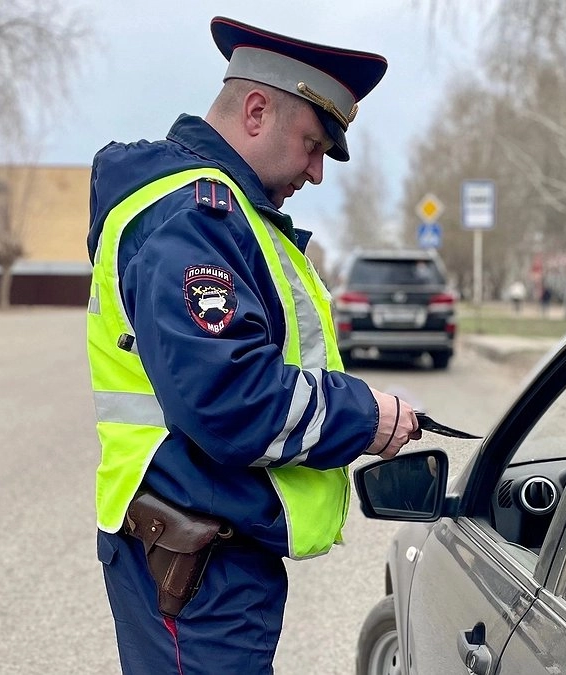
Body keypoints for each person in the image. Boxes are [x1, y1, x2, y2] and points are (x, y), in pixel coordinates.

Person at [85, 17, 421, 674]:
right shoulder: (193, 214)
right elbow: (230, 400)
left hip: (200, 556)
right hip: (193, 568)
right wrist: (368, 415)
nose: (317, 172)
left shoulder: (219, 211)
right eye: (313, 144)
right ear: (258, 110)